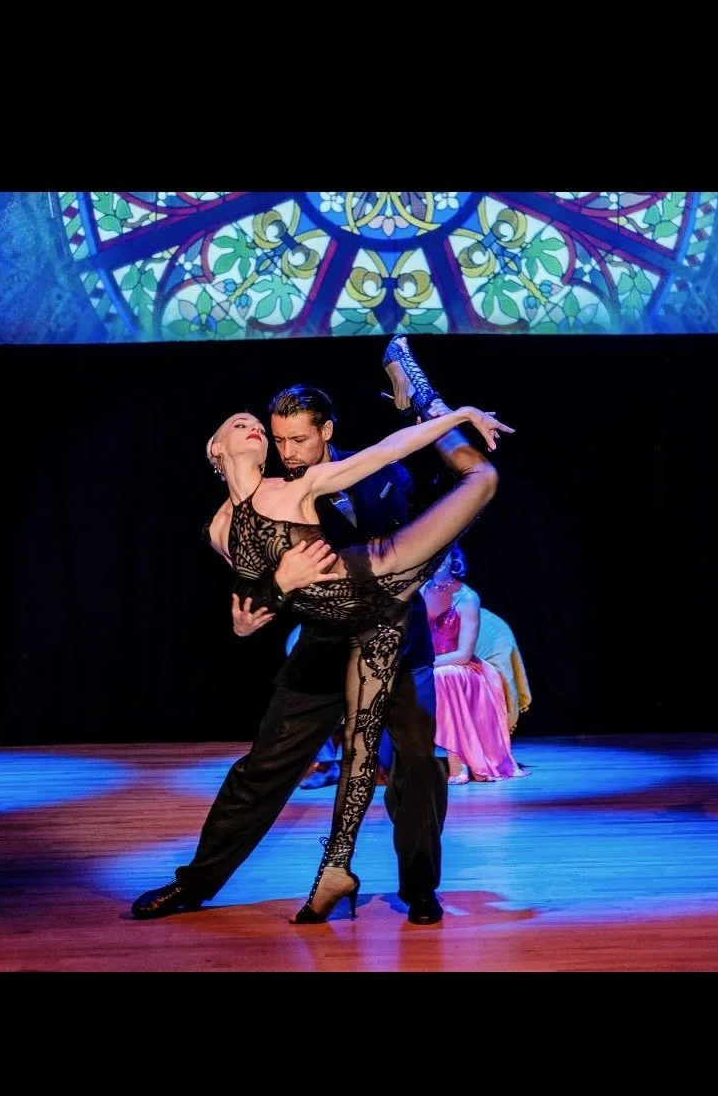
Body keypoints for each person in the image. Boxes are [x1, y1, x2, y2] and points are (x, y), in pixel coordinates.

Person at [132, 349, 498, 925]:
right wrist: (250, 614)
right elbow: (252, 591)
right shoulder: (267, 497)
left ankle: (420, 888)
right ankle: (195, 883)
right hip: (325, 644)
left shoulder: (374, 475)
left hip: (392, 633)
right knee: (266, 765)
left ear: (325, 432)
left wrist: (442, 417)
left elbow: (410, 515)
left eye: (298, 440)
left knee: (417, 761)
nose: (287, 451)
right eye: (278, 441)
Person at [421, 549, 521, 782]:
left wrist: (427, 663)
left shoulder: (467, 598)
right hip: (431, 664)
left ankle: (458, 763)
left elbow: (464, 655)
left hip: (465, 670)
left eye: (442, 556)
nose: (437, 562)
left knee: (444, 676)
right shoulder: (421, 592)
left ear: (453, 560)